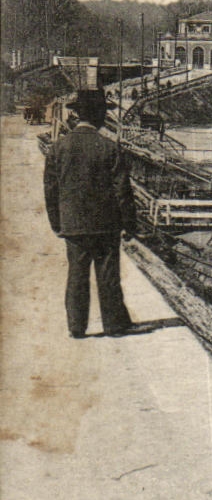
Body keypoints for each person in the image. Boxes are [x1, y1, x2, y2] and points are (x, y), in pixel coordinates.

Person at [43, 92, 135, 339]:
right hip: (106, 225)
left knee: (77, 275)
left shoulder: (58, 148)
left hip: (73, 225)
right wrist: (129, 224)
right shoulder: (109, 147)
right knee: (108, 275)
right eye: (104, 112)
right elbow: (122, 190)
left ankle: (76, 326)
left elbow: (51, 191)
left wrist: (57, 223)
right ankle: (114, 325)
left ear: (76, 115)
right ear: (98, 115)